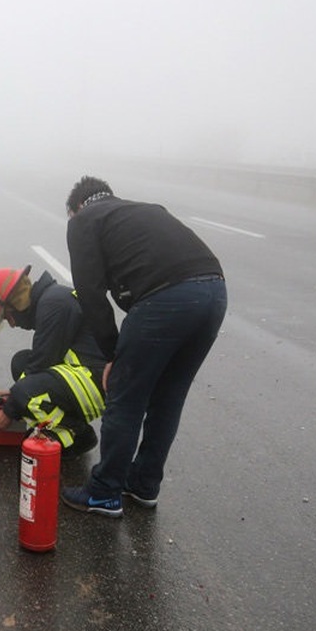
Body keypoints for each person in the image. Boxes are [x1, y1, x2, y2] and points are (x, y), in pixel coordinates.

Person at [60, 176, 227, 517]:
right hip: (214, 292)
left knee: (125, 395)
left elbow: (91, 296)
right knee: (169, 395)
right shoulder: (142, 210)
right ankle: (144, 484)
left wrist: (113, 355)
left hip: (164, 298)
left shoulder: (83, 220)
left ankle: (104, 492)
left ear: (76, 207)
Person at [0, 265, 106, 457]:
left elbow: (41, 364)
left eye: (8, 316)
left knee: (25, 392)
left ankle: (76, 434)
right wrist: (13, 394)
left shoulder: (54, 306)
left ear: (17, 301)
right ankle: (67, 421)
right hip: (85, 376)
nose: (13, 324)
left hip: (94, 381)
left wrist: (10, 408)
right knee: (21, 362)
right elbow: (36, 366)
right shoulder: (51, 300)